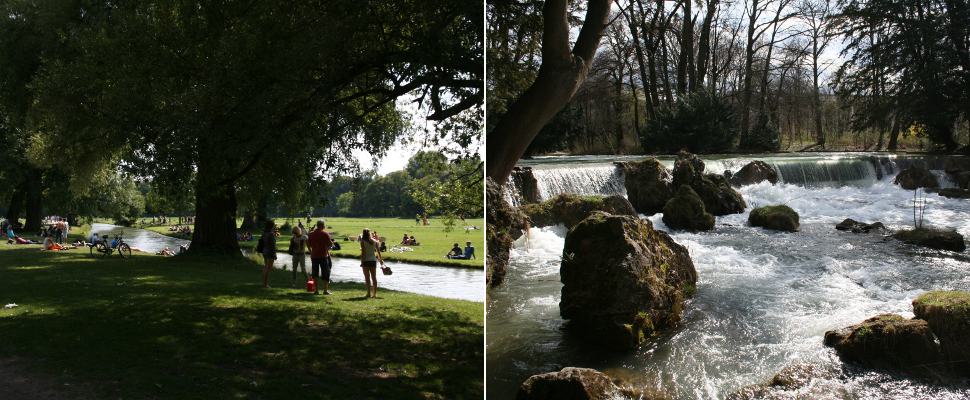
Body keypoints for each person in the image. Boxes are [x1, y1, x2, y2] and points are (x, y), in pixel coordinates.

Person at [306, 220, 333, 295]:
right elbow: (331, 244)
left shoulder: (310, 234)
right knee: (325, 273)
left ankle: (316, 290)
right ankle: (325, 290)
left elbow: (307, 243)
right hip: (323, 256)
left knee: (315, 273)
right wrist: (327, 249)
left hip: (314, 256)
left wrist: (310, 251)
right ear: (322, 226)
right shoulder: (325, 234)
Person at [359, 228, 385, 298]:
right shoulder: (375, 241)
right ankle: (374, 294)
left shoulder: (362, 241)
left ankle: (368, 293)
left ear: (363, 233)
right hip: (373, 260)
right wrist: (380, 259)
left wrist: (362, 261)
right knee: (374, 277)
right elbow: (378, 252)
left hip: (366, 260)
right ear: (369, 233)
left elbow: (363, 253)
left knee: (367, 278)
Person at [260, 220, 278, 288]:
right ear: (271, 226)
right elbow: (273, 245)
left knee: (266, 267)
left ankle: (264, 283)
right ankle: (265, 284)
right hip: (270, 252)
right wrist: (274, 255)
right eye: (273, 225)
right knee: (268, 268)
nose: (274, 226)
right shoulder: (271, 234)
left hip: (265, 251)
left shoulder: (264, 233)